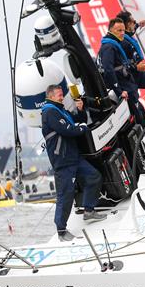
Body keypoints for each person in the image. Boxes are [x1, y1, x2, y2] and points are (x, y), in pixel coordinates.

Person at [41, 84, 106, 241]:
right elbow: (68, 130)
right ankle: (61, 231)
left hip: (74, 157)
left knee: (94, 176)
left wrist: (81, 109)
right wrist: (83, 129)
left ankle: (89, 211)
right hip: (63, 161)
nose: (62, 97)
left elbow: (78, 120)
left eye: (62, 94)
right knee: (65, 195)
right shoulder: (49, 111)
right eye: (58, 94)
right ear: (50, 96)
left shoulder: (61, 110)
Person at [98, 18, 143, 127]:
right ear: (110, 30)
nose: (122, 33)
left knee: (139, 110)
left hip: (127, 83)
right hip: (124, 87)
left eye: (123, 30)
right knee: (137, 114)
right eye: (119, 30)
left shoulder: (113, 44)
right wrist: (119, 91)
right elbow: (108, 70)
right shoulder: (108, 47)